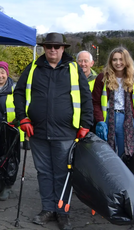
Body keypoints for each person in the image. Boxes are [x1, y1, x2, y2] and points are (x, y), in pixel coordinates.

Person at [13, 32, 93, 230]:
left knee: (63, 174)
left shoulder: (73, 69)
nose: (53, 50)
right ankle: (48, 208)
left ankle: (62, 212)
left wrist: (85, 124)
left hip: (66, 133)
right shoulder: (33, 68)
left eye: (56, 47)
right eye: (49, 46)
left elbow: (86, 98)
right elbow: (19, 93)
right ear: (44, 48)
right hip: (38, 132)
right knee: (44, 173)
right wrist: (22, 117)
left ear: (63, 48)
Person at [92, 47, 134, 158]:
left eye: (121, 59)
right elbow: (95, 102)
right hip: (107, 118)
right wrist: (100, 121)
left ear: (127, 61)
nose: (118, 63)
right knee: (106, 155)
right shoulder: (102, 78)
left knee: (125, 154)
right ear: (110, 61)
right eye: (114, 59)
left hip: (126, 119)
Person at [0, 61, 21, 201]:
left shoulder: (15, 89)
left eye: (2, 72)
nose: (0, 76)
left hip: (10, 131)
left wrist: (18, 121)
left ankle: (7, 186)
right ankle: (0, 184)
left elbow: (22, 107)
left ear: (7, 73)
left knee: (9, 160)